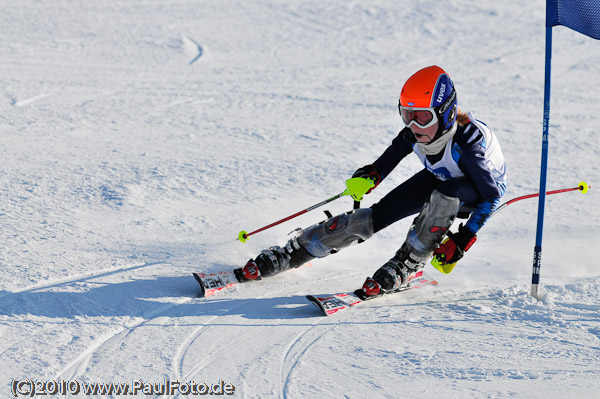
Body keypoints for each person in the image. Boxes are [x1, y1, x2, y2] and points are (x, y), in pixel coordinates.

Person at [239, 65, 507, 297]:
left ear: (445, 112)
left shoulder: (465, 145)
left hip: (473, 191)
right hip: (442, 178)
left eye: (423, 117)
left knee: (445, 194)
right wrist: (370, 176)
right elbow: (385, 162)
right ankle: (297, 251)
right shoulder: (416, 133)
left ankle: (408, 262)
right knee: (374, 216)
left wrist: (463, 239)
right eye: (407, 115)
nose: (414, 126)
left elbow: (491, 196)